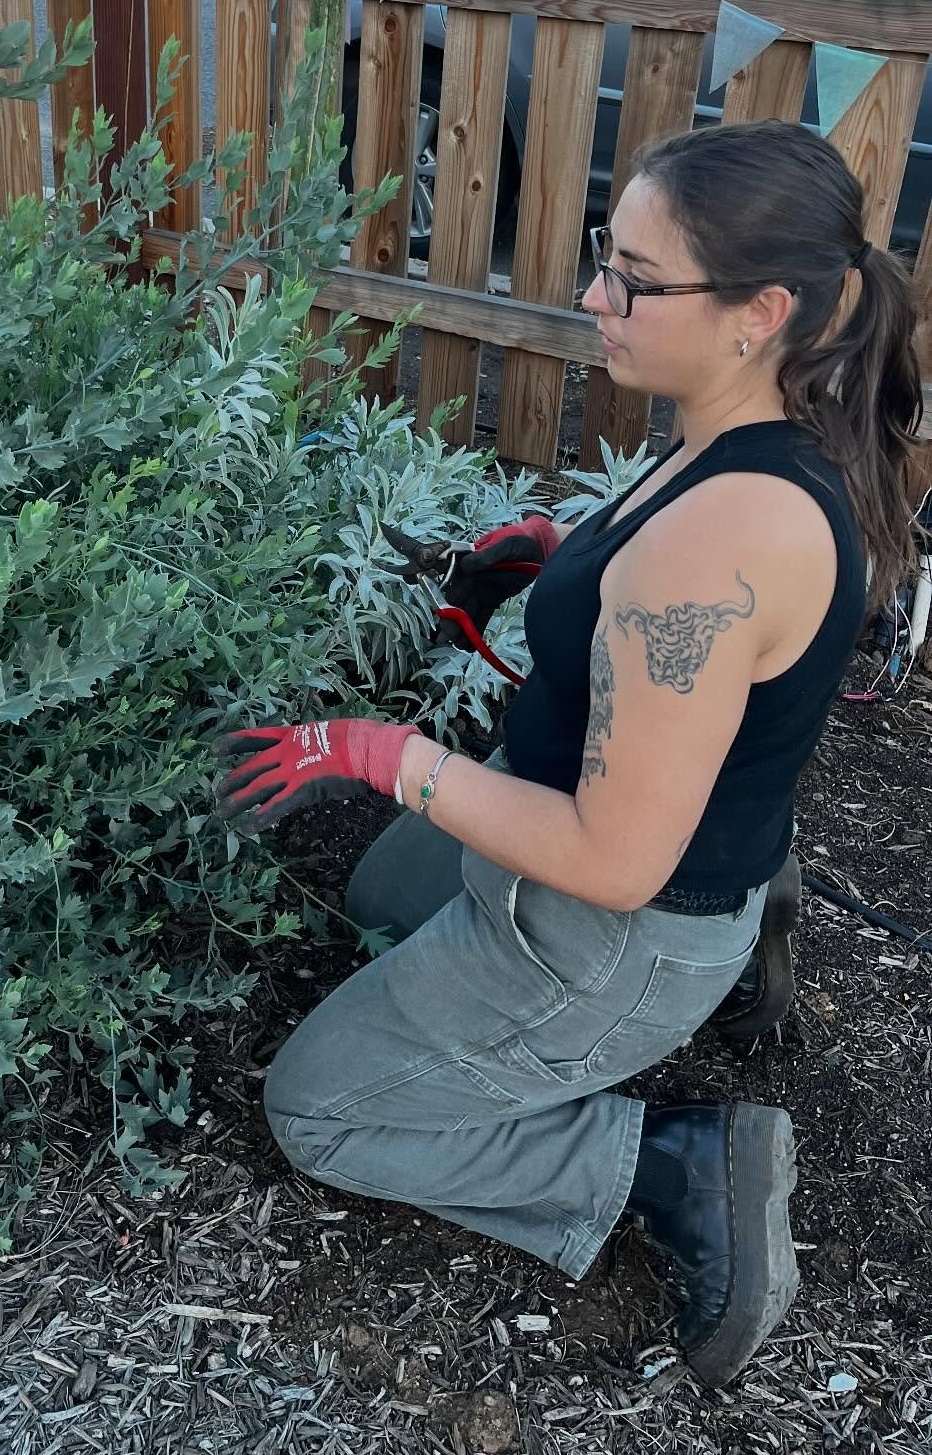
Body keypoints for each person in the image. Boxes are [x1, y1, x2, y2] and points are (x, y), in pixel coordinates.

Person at [216, 120, 923, 1386]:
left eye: (637, 282)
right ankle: (750, 909)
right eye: (611, 255)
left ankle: (668, 1165)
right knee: (382, 896)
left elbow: (614, 857)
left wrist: (377, 751)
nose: (596, 295)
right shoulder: (743, 430)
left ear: (760, 310)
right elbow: (684, 632)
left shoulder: (716, 545)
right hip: (610, 835)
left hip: (618, 924)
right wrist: (561, 566)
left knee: (318, 1109)